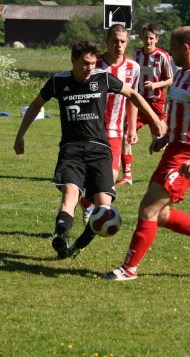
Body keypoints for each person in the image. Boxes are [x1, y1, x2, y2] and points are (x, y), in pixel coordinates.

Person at [14, 40, 165, 260]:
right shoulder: (58, 82)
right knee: (71, 194)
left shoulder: (102, 78)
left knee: (104, 208)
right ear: (73, 60)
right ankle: (61, 237)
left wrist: (155, 121)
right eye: (85, 63)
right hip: (71, 150)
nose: (89, 68)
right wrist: (20, 135)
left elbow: (132, 94)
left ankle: (79, 244)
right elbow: (36, 104)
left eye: (93, 63)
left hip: (100, 151)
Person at [102, 26, 190, 281]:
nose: (169, 52)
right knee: (160, 214)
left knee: (148, 209)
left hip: (188, 156)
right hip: (173, 151)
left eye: (172, 47)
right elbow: (183, 116)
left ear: (185, 48)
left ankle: (129, 269)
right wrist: (165, 138)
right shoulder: (182, 75)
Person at [116, 23, 173, 186]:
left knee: (160, 142)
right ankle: (127, 176)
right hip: (140, 103)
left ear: (156, 39)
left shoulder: (163, 56)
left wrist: (156, 85)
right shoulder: (136, 54)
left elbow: (171, 78)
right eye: (145, 38)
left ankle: (169, 171)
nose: (148, 41)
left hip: (156, 104)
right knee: (126, 133)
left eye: (151, 38)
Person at [96, 24, 141, 184]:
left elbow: (133, 99)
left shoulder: (133, 68)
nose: (119, 45)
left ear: (127, 42)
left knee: (110, 178)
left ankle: (88, 203)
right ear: (107, 41)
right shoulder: (94, 64)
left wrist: (132, 127)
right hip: (92, 130)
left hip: (115, 131)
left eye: (122, 41)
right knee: (94, 176)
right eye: (115, 41)